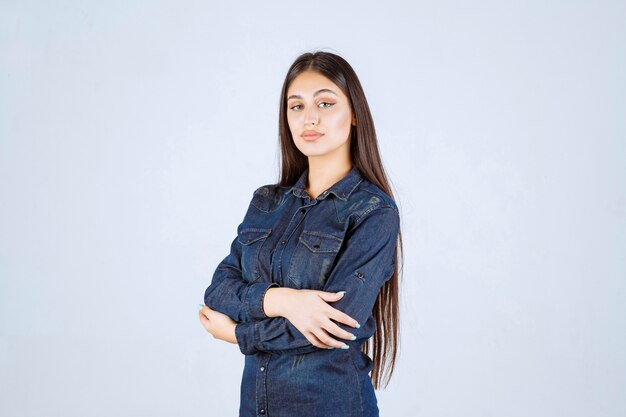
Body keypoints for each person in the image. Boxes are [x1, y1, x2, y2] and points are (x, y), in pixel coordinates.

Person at [198, 50, 404, 417]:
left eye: (325, 103)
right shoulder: (266, 202)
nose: (309, 118)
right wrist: (283, 302)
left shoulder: (374, 213)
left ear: (354, 114)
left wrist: (238, 334)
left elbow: (335, 326)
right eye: (296, 106)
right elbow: (218, 289)